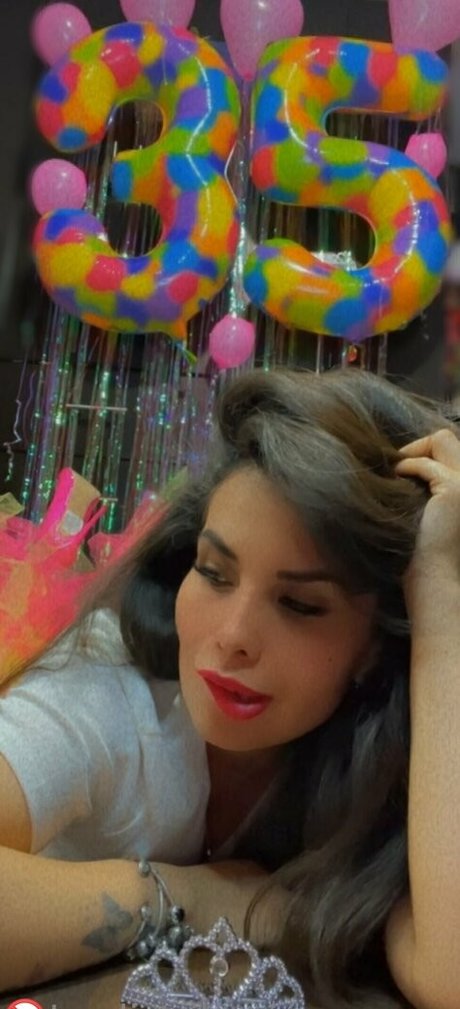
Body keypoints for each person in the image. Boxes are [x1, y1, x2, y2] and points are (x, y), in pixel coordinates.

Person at [1, 366, 460, 1009]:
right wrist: (190, 894)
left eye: (299, 605)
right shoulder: (111, 690)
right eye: (214, 573)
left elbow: (449, 973)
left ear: (375, 647)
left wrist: (441, 599)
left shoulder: (380, 760)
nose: (233, 636)